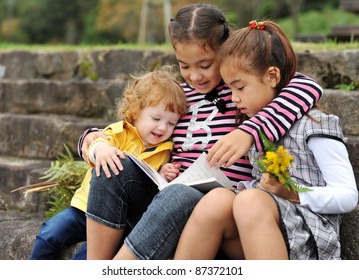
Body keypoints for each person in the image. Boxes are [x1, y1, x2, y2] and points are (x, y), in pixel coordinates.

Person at [81, 3, 324, 260]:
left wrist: (248, 132)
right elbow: (131, 123)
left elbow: (307, 87)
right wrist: (93, 138)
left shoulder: (240, 91)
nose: (195, 76)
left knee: (180, 194)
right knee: (111, 168)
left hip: (213, 209)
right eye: (184, 66)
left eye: (206, 65)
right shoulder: (176, 95)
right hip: (164, 199)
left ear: (225, 52)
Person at [173, 20, 358, 260]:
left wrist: (293, 194)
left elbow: (348, 196)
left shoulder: (316, 125)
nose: (234, 99)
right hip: (266, 228)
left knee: (249, 201)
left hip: (310, 237)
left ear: (272, 76)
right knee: (218, 199)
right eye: (229, 89)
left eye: (240, 88)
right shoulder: (256, 126)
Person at [29, 65, 187, 260]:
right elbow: (96, 145)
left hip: (119, 221)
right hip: (83, 208)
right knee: (49, 234)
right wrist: (100, 149)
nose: (163, 127)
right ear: (136, 111)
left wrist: (163, 174)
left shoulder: (165, 150)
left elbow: (147, 188)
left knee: (86, 256)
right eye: (156, 118)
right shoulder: (119, 132)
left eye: (172, 123)